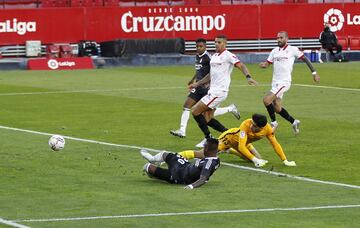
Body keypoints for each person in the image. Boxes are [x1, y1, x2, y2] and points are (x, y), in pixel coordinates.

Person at [189, 35, 258, 147]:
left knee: (195, 112)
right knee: (207, 119)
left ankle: (208, 138)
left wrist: (248, 77)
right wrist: (197, 84)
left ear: (225, 44)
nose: (216, 44)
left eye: (219, 42)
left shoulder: (229, 55)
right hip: (212, 91)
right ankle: (230, 135)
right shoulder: (215, 56)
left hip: (219, 92)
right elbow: (210, 75)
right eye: (215, 42)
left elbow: (241, 65)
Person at [170, 38, 240, 138]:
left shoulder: (209, 57)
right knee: (187, 106)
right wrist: (193, 80)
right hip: (198, 87)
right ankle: (182, 130)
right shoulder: (198, 56)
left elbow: (215, 72)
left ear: (205, 47)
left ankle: (228, 112)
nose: (198, 48)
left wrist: (209, 83)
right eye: (197, 46)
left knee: (205, 115)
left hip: (208, 88)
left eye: (201, 46)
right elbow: (199, 70)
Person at [259, 31, 320, 135]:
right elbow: (268, 63)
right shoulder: (274, 51)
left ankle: (274, 123)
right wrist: (264, 65)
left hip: (284, 82)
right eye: (277, 37)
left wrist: (314, 73)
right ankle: (294, 122)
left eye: (281, 38)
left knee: (266, 100)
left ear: (286, 39)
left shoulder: (293, 50)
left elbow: (305, 59)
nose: (278, 39)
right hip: (275, 82)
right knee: (277, 108)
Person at [179, 114, 296, 168]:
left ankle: (229, 151)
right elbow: (241, 146)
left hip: (244, 144)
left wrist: (285, 160)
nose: (251, 126)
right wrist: (255, 160)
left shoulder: (267, 130)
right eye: (252, 123)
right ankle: (178, 156)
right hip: (229, 139)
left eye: (254, 125)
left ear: (261, 128)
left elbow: (275, 144)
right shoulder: (245, 124)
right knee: (203, 155)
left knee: (257, 160)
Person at [140, 138, 220, 189]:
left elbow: (203, 178)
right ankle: (152, 159)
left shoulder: (209, 163)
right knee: (165, 154)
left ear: (206, 149)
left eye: (204, 147)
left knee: (148, 167)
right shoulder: (214, 158)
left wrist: (191, 186)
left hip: (179, 177)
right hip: (184, 166)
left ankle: (153, 173)